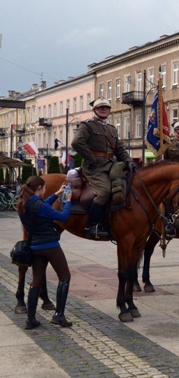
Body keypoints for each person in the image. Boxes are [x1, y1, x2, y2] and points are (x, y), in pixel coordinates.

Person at [71, 98, 135, 238]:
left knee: (125, 188)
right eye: (100, 107)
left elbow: (119, 149)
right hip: (94, 167)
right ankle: (92, 226)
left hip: (110, 165)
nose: (104, 109)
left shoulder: (111, 129)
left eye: (106, 107)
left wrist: (129, 161)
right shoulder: (87, 125)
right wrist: (90, 158)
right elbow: (76, 142)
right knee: (104, 192)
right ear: (94, 110)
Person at [18, 176, 73, 329]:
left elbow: (42, 206)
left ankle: (30, 320)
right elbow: (63, 216)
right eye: (44, 188)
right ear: (40, 188)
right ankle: (59, 316)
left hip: (35, 247)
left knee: (36, 281)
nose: (44, 191)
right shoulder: (38, 205)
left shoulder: (24, 203)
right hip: (50, 246)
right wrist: (67, 200)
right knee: (65, 277)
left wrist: (57, 193)